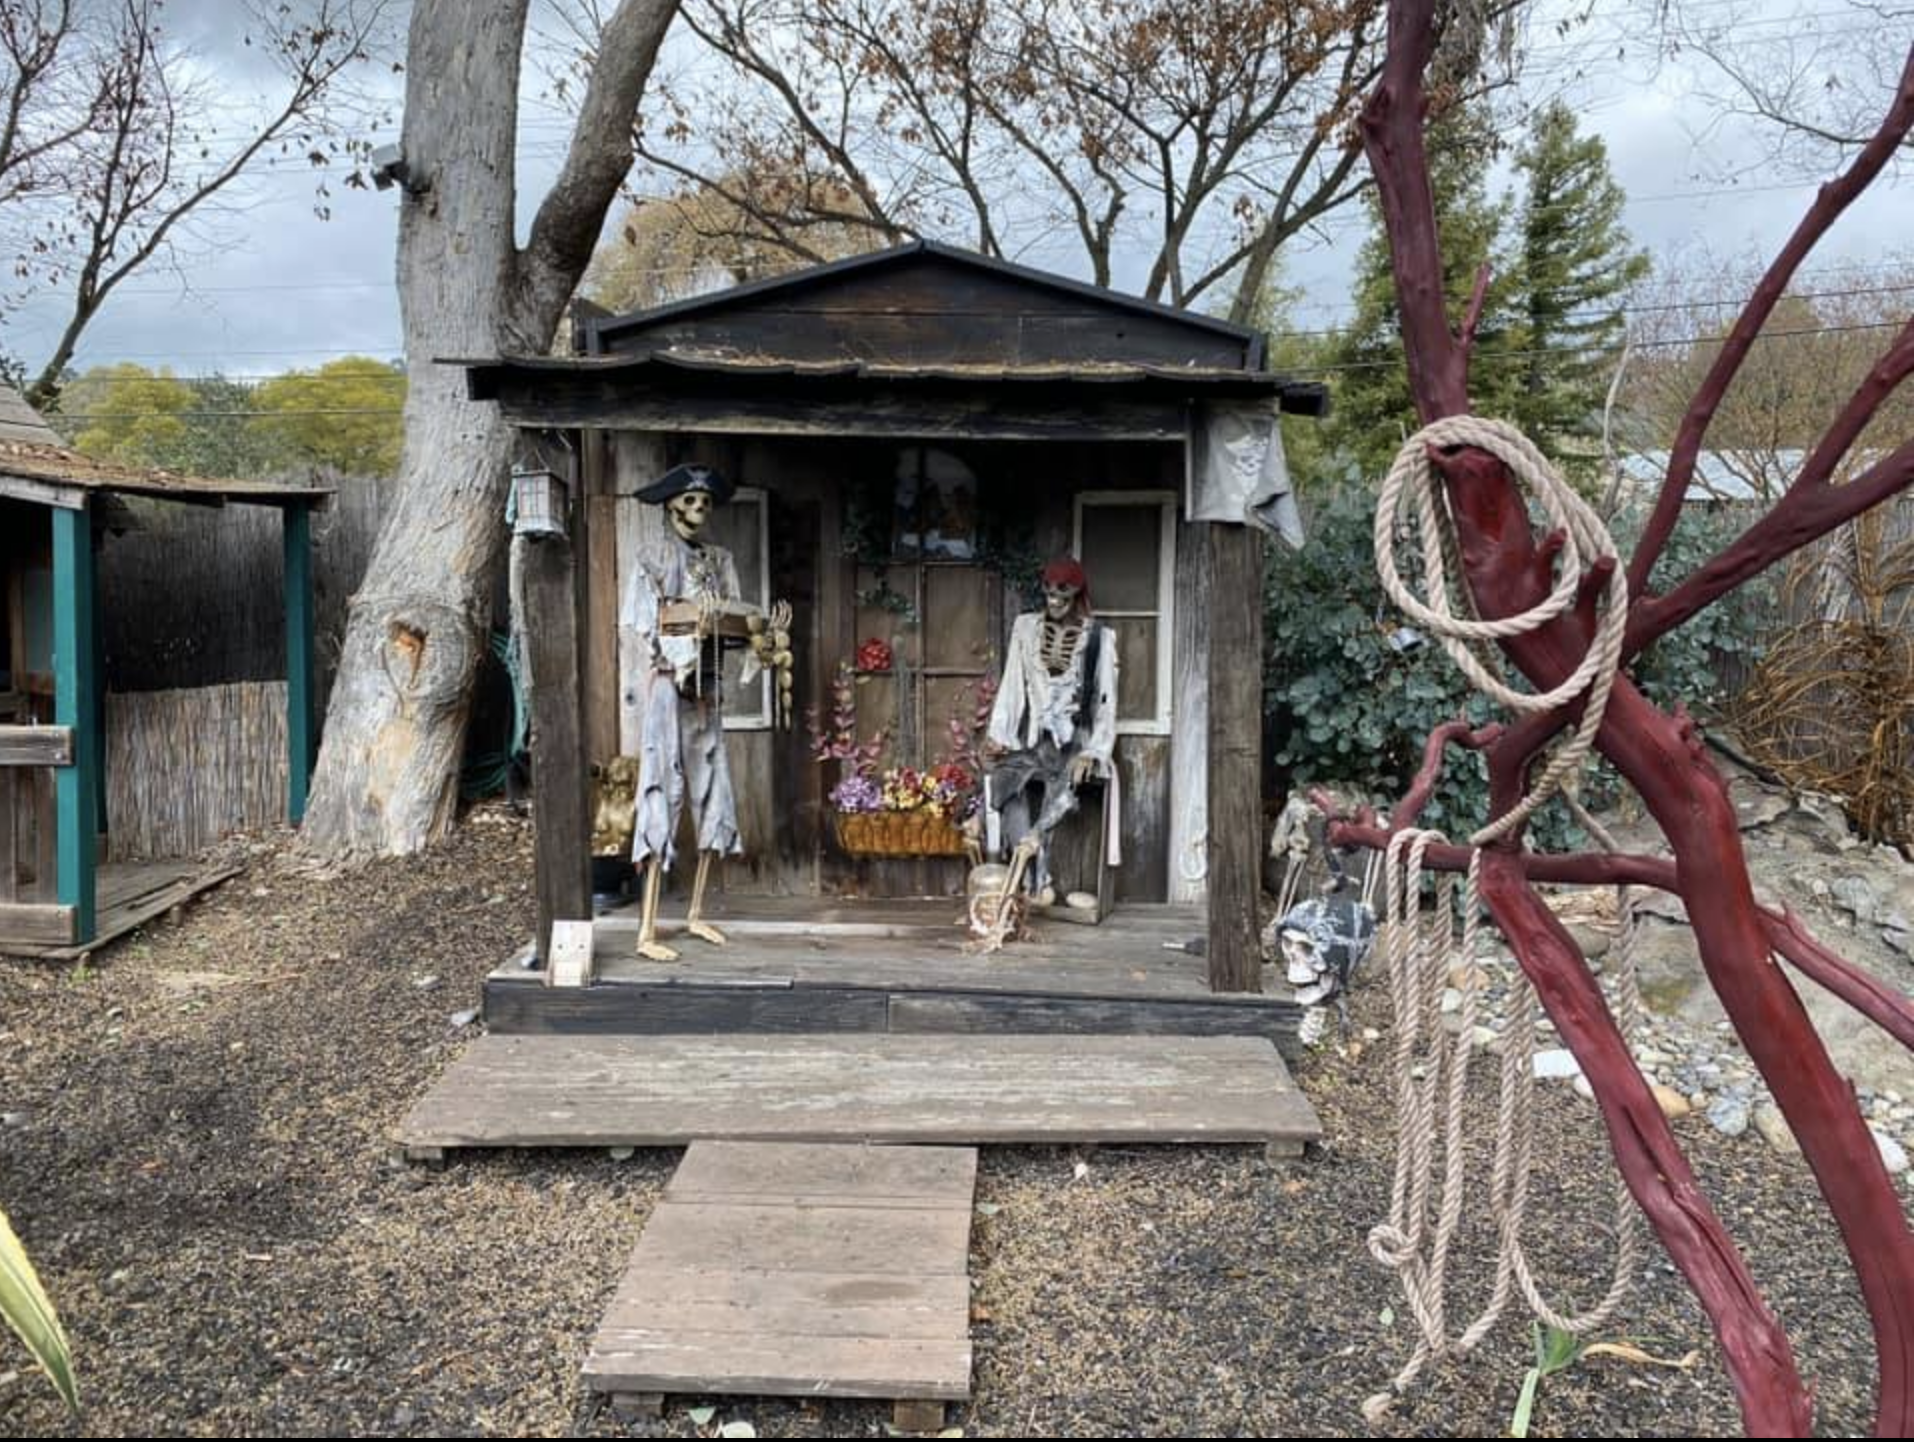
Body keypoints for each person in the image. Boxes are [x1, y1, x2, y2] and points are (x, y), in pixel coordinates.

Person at [617, 463, 783, 960]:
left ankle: (694, 912)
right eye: (690, 500)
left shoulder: (719, 559)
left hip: (708, 691)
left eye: (706, 502)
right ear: (671, 504)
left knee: (714, 792)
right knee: (661, 793)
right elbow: (647, 624)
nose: (699, 510)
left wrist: (760, 639)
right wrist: (687, 637)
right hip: (670, 690)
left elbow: (734, 623)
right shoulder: (652, 556)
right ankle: (647, 931)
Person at [983, 557, 1120, 904]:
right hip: (1036, 739)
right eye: (1049, 595)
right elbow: (1012, 683)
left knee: (1063, 787)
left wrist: (1095, 751)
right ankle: (1033, 878)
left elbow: (1106, 700)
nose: (1055, 602)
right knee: (1003, 780)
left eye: (1063, 596)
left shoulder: (1099, 638)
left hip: (1076, 741)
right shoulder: (1026, 628)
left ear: (1077, 595)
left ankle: (1038, 879)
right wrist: (1000, 733)